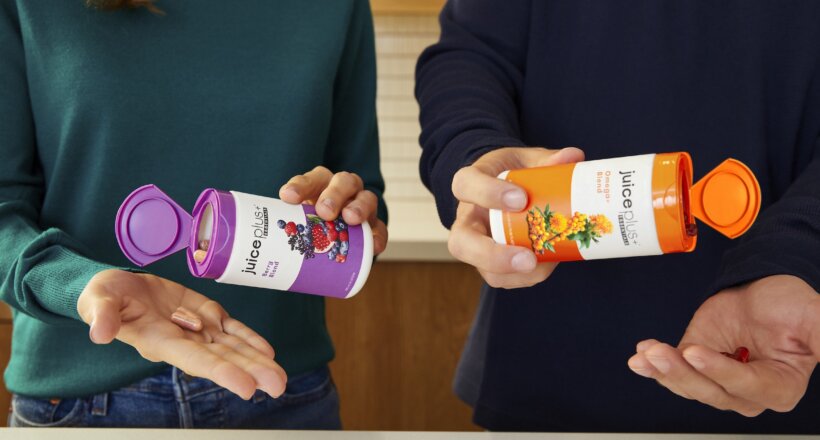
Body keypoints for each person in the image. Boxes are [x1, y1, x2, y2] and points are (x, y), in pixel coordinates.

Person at [416, 0, 820, 433]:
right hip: (546, 367)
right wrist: (476, 154)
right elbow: (472, 53)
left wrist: (799, 249)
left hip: (781, 357)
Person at [0, 0, 387, 428]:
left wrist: (350, 215)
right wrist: (79, 286)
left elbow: (362, 198)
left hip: (280, 388)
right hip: (77, 403)